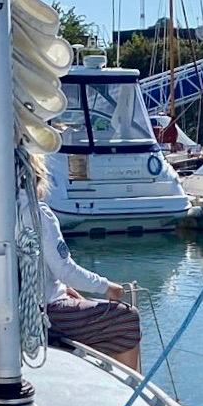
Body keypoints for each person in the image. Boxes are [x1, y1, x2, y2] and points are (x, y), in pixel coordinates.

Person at [22, 155, 143, 372]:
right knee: (127, 319)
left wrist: (62, 288)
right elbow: (64, 269)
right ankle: (129, 391)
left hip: (20, 312)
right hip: (48, 314)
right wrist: (106, 286)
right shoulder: (39, 213)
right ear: (36, 178)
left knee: (91, 310)